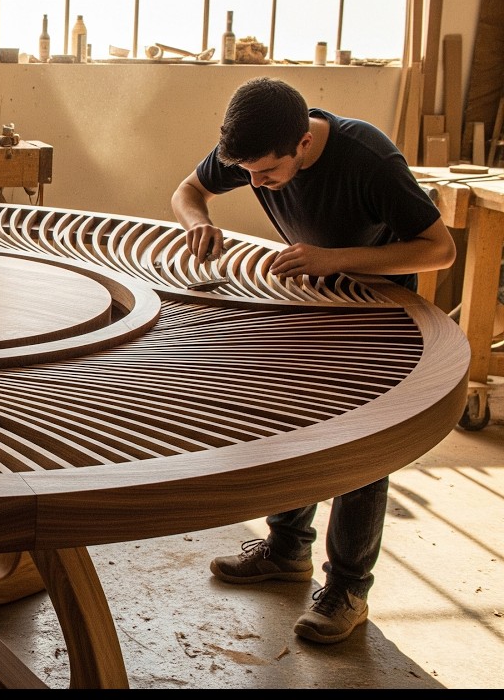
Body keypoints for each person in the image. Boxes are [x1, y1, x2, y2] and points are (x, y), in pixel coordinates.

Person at [170, 77, 457, 644]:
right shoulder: (257, 144)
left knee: (362, 450)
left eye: (266, 174)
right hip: (315, 304)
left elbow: (439, 250)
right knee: (297, 423)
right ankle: (286, 550)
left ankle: (348, 589)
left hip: (380, 315)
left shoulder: (370, 159)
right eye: (247, 173)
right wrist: (198, 222)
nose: (255, 183)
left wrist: (334, 259)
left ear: (303, 143)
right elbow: (188, 190)